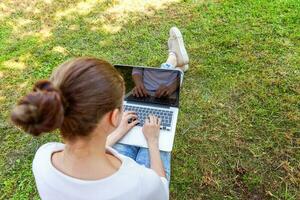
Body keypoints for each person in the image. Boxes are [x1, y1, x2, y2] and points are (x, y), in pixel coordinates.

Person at [10, 27, 189, 200]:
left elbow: (85, 152)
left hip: (104, 161)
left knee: (135, 137)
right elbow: (161, 190)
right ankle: (173, 61)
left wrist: (118, 132)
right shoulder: (141, 184)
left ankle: (173, 60)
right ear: (112, 117)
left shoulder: (43, 158)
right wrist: (153, 141)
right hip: (136, 177)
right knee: (150, 143)